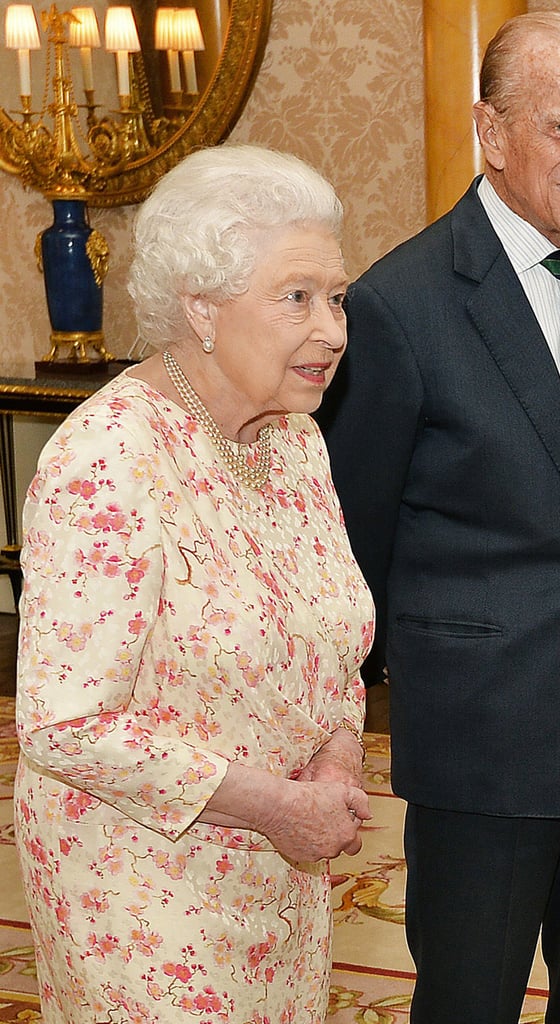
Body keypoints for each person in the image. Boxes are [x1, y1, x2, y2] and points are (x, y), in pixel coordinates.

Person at [318, 11, 560, 1024]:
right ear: (491, 130)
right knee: (469, 1001)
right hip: (484, 734)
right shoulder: (400, 304)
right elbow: (352, 542)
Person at [13, 143, 374, 1024]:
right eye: (297, 298)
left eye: (336, 297)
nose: (331, 328)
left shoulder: (293, 440)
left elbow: (332, 637)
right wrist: (275, 806)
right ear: (200, 309)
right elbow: (65, 722)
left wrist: (335, 757)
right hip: (141, 887)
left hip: (280, 872)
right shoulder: (107, 458)